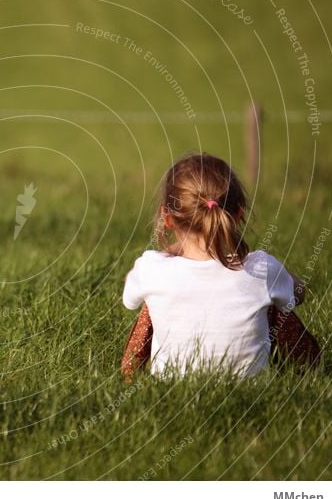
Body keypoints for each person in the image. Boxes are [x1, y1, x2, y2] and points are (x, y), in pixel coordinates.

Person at [120, 153, 321, 380]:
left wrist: (170, 252)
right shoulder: (261, 269)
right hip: (250, 388)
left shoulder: (152, 269)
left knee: (151, 303)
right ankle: (308, 374)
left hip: (171, 382)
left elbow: (129, 298)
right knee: (276, 305)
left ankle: (129, 377)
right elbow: (299, 293)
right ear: (237, 215)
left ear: (167, 219)